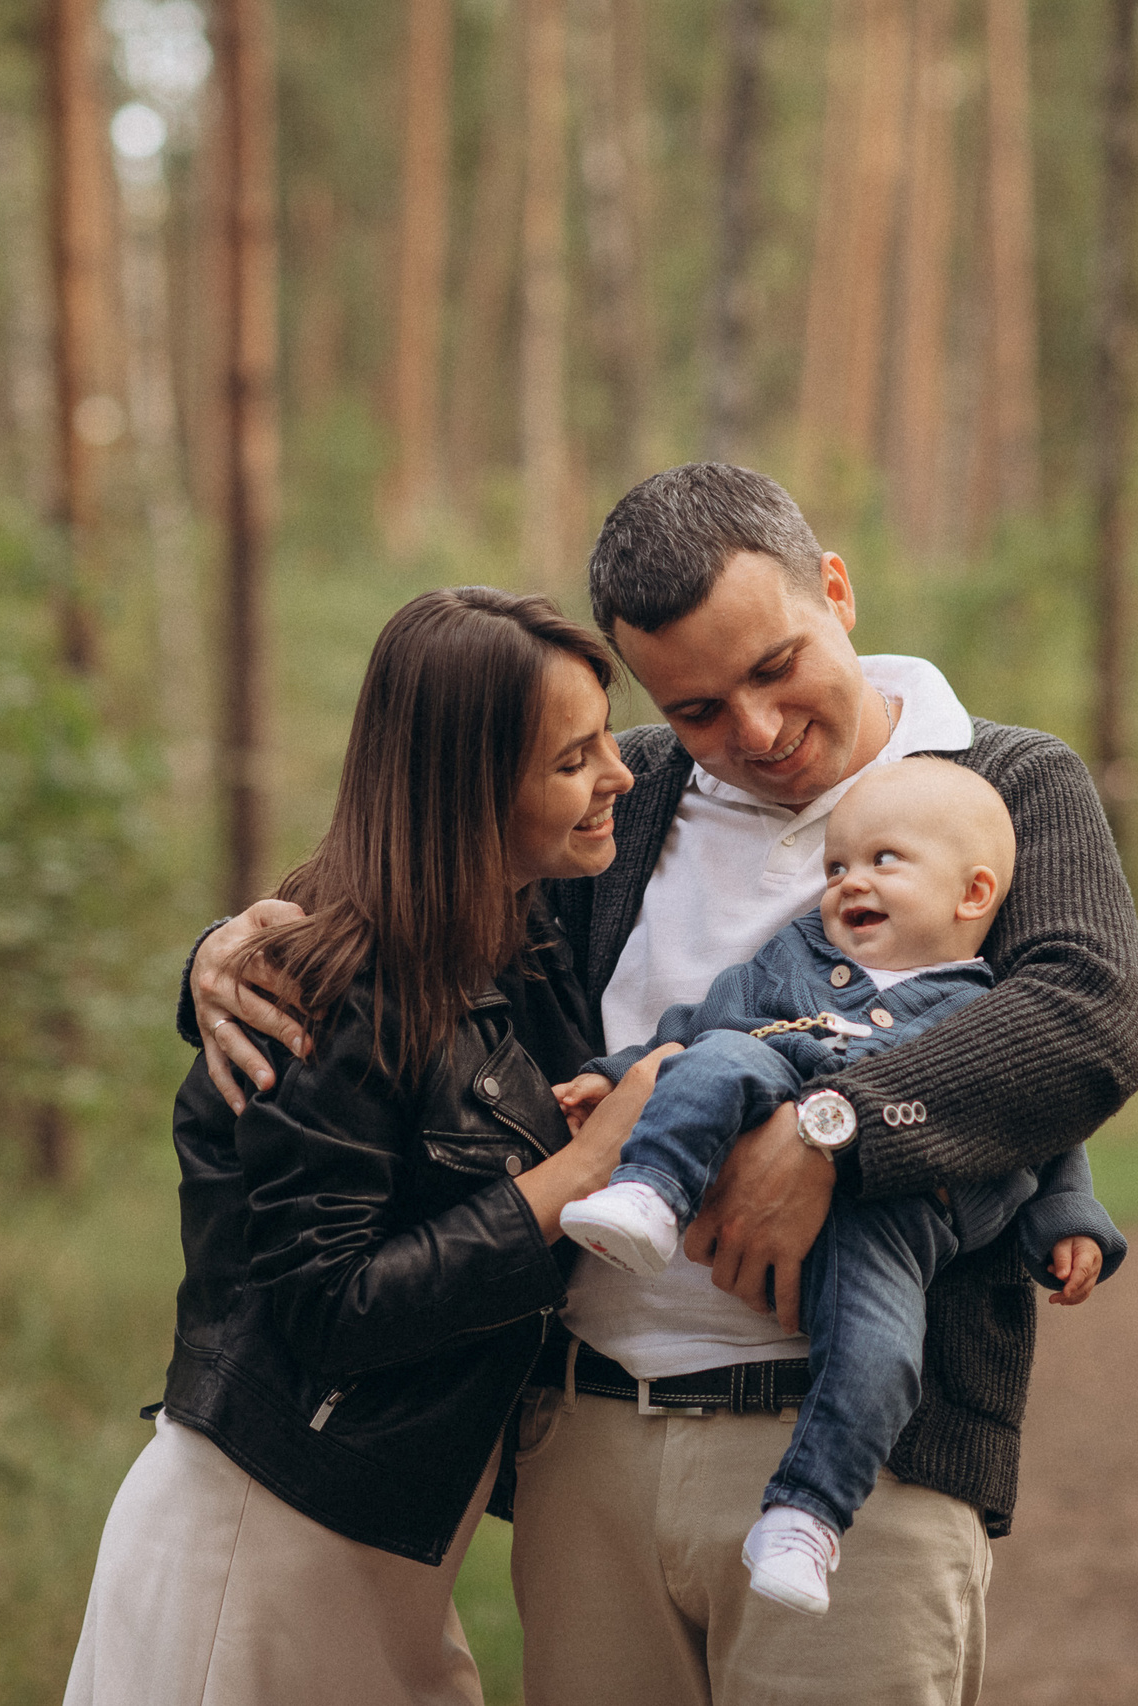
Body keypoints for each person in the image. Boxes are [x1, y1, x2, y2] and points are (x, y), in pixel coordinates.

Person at [189, 463, 1138, 1706]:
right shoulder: (616, 802)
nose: (751, 732)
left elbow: (1083, 1021)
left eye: (773, 667)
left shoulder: (1002, 783)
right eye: (697, 706)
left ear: (838, 592)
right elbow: (393, 916)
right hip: (589, 1442)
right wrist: (221, 954)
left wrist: (830, 1130)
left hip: (862, 1459)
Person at [65, 586, 664, 1706]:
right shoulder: (328, 985)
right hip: (270, 1523)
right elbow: (329, 1306)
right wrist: (571, 1178)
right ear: (468, 788)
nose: (619, 775)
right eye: (573, 759)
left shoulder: (515, 948)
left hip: (385, 1534)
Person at [555, 758, 1128, 1615]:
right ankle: (651, 1194)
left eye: (882, 862)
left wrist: (1068, 1221)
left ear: (973, 896)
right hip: (766, 1077)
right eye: (835, 868)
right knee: (718, 1054)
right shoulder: (793, 957)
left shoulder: (991, 1011)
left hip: (888, 1222)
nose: (847, 883)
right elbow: (695, 1024)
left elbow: (1046, 1127)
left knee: (884, 1355)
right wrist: (619, 1071)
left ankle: (807, 1515)